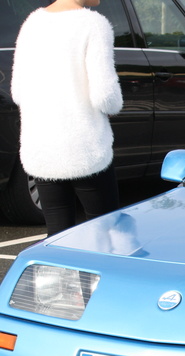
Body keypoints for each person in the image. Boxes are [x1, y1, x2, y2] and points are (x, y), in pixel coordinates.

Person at [11, 0, 123, 236]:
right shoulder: (93, 24)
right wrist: (115, 105)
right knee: (106, 232)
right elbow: (105, 95)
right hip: (85, 149)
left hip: (42, 148)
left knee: (58, 236)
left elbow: (18, 91)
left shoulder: (32, 23)